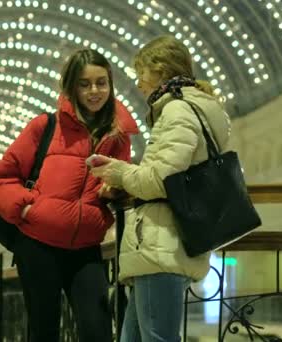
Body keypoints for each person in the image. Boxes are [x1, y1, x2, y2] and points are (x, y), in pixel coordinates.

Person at [0, 49, 138, 342]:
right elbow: (0, 179)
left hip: (86, 249)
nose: (95, 91)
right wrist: (27, 209)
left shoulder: (118, 137)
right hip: (37, 246)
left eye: (101, 82)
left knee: (98, 331)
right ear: (72, 87)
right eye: (85, 84)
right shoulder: (46, 126)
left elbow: (122, 178)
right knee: (44, 332)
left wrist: (115, 190)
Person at [90, 35, 231, 341]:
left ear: (161, 70)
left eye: (142, 73)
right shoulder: (191, 108)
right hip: (161, 244)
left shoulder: (178, 111)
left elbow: (161, 179)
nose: (138, 83)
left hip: (162, 243)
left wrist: (115, 171)